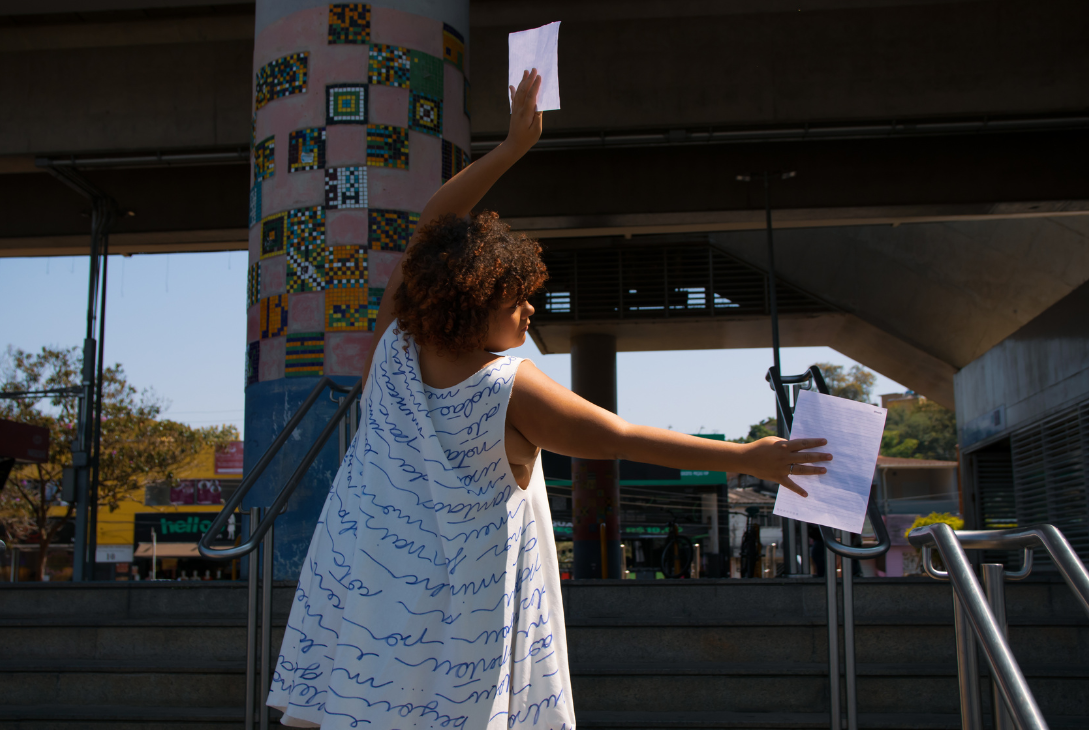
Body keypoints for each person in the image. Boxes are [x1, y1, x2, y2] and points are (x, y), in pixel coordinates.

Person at [268, 69, 832, 729]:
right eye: (518, 299)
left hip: (375, 579)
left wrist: (510, 148)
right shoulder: (506, 385)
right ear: (474, 303)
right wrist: (746, 458)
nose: (531, 309)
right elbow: (614, 438)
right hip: (464, 602)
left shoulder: (391, 346)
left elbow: (433, 227)